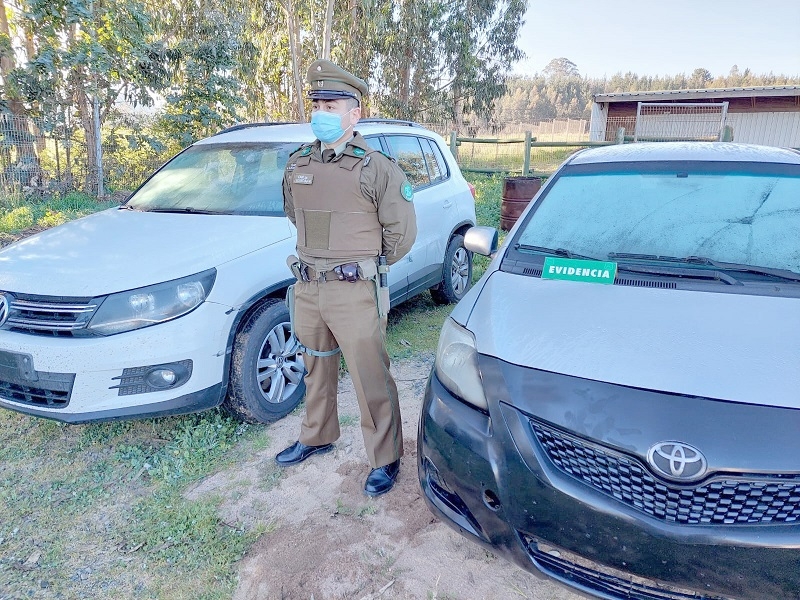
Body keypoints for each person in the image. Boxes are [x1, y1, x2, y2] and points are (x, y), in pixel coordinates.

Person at [276, 59, 417, 497]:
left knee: (369, 374)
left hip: (355, 289)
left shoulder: (376, 167)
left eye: (331, 104)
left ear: (354, 113)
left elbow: (401, 234)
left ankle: (385, 457)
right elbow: (293, 217)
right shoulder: (297, 163)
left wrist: (364, 266)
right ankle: (317, 434)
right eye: (316, 102)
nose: (321, 110)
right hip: (308, 286)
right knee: (315, 366)